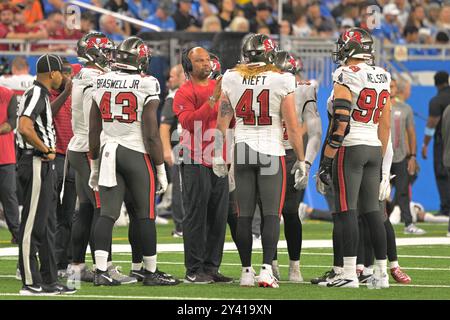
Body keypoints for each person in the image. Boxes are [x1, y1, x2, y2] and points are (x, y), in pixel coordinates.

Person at [214, 34, 306, 288]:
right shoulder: (282, 79)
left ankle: (246, 272)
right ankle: (267, 270)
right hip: (270, 150)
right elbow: (292, 125)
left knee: (243, 216)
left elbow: (222, 122)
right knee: (270, 215)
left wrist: (218, 153)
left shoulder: (231, 77)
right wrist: (301, 160)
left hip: (241, 149)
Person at [89, 36, 178, 286]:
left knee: (107, 214)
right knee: (145, 215)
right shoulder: (146, 83)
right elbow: (150, 134)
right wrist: (160, 169)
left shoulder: (101, 79)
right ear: (139, 59)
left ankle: (100, 270)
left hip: (107, 151)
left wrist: (94, 166)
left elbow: (94, 130)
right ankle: (149, 272)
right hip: (135, 152)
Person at [317, 28, 391, 289]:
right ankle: (381, 274)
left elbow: (341, 121)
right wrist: (381, 160)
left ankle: (349, 273)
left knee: (347, 210)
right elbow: (385, 123)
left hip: (351, 146)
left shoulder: (345, 74)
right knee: (373, 212)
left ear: (349, 48)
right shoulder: (382, 74)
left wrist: (326, 159)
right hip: (373, 146)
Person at [67, 32, 137, 285]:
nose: (110, 57)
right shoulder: (95, 78)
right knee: (102, 210)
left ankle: (76, 267)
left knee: (85, 210)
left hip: (80, 146)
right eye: (106, 52)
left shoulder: (85, 76)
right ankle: (103, 268)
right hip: (89, 147)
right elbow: (95, 120)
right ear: (93, 52)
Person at [17, 54, 75, 295]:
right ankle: (30, 281)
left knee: (49, 224)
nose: (63, 76)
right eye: (61, 72)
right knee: (33, 225)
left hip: (45, 165)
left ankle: (49, 280)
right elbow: (24, 126)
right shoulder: (36, 93)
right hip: (36, 162)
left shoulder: (42, 94)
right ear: (52, 73)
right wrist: (46, 149)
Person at [173, 46, 231, 284]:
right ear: (189, 66)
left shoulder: (221, 89)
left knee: (218, 216)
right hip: (194, 158)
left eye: (207, 59)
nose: (206, 64)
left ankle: (211, 267)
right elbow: (188, 121)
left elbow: (227, 116)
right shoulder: (184, 92)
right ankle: (194, 269)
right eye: (199, 60)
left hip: (218, 157)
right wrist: (212, 100)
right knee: (196, 215)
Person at [272, 50, 322, 282]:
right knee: (268, 214)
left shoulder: (303, 89)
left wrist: (308, 162)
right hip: (268, 151)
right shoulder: (263, 85)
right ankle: (269, 263)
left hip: (291, 154)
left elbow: (315, 133)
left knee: (290, 213)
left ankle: (294, 266)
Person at [49, 58, 76, 276]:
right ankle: (39, 260)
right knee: (49, 213)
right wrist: (66, 92)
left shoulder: (75, 95)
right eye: (65, 74)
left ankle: (62, 263)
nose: (68, 78)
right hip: (54, 158)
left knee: (68, 214)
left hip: (73, 158)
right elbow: (47, 113)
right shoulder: (45, 94)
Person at [389, 78, 425, 234]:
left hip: (400, 156)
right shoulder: (377, 107)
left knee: (403, 191)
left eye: (393, 86)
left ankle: (408, 224)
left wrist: (412, 156)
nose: (390, 89)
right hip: (380, 156)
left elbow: (411, 133)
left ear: (397, 89)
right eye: (388, 86)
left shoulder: (405, 109)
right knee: (376, 192)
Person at [159, 64, 186, 237]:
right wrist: (167, 150)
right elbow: (164, 126)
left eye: (173, 77)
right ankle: (181, 227)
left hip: (198, 145)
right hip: (182, 146)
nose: (169, 81)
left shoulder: (192, 92)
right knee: (180, 188)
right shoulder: (173, 97)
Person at [422, 71, 450, 217]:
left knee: (442, 173)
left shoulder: (437, 100)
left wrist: (425, 144)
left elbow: (431, 126)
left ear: (436, 83)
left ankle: (446, 209)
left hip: (443, 141)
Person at [0, 85, 20, 244]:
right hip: (6, 156)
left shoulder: (7, 94)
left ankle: (16, 232)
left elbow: (13, 121)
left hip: (5, 155)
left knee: (9, 196)